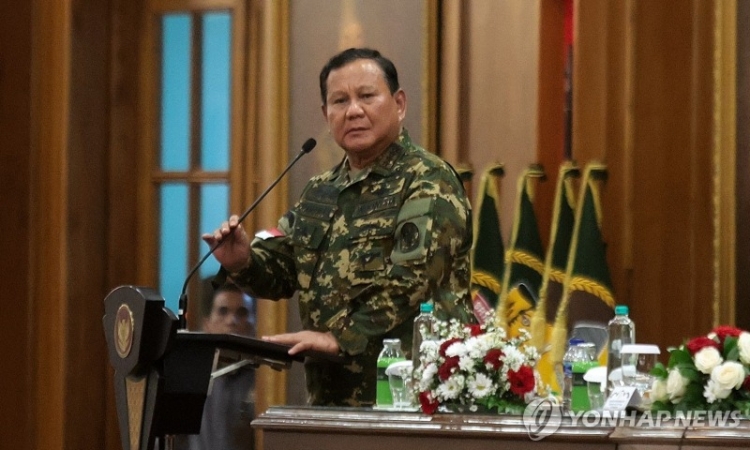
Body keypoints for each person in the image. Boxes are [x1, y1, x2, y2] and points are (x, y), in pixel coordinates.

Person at [203, 47, 474, 406]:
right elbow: (284, 269)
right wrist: (242, 261)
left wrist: (339, 339)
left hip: (415, 398)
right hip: (332, 399)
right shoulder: (320, 191)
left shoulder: (427, 179)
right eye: (340, 101)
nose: (354, 111)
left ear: (399, 104)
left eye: (367, 96)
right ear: (326, 114)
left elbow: (413, 282)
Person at [175, 282, 256, 450]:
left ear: (251, 325)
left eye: (241, 313)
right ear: (207, 324)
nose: (232, 321)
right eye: (223, 311)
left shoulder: (262, 382)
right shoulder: (191, 378)